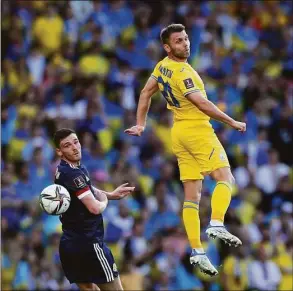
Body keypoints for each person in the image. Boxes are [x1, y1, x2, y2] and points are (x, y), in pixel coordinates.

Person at [125, 23, 246, 276]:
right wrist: (231, 121)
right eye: (179, 41)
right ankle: (216, 223)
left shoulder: (162, 66)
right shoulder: (182, 72)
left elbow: (146, 92)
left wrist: (140, 124)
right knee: (226, 178)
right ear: (168, 47)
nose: (186, 43)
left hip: (178, 133)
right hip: (197, 131)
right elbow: (201, 103)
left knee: (192, 195)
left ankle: (197, 251)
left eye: (186, 38)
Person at [53, 128, 135, 291]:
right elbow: (95, 207)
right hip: (89, 244)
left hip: (70, 244)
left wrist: (110, 194)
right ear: (59, 151)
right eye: (67, 145)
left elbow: (86, 189)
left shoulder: (64, 170)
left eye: (76, 142)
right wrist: (104, 201)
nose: (75, 147)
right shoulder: (73, 174)